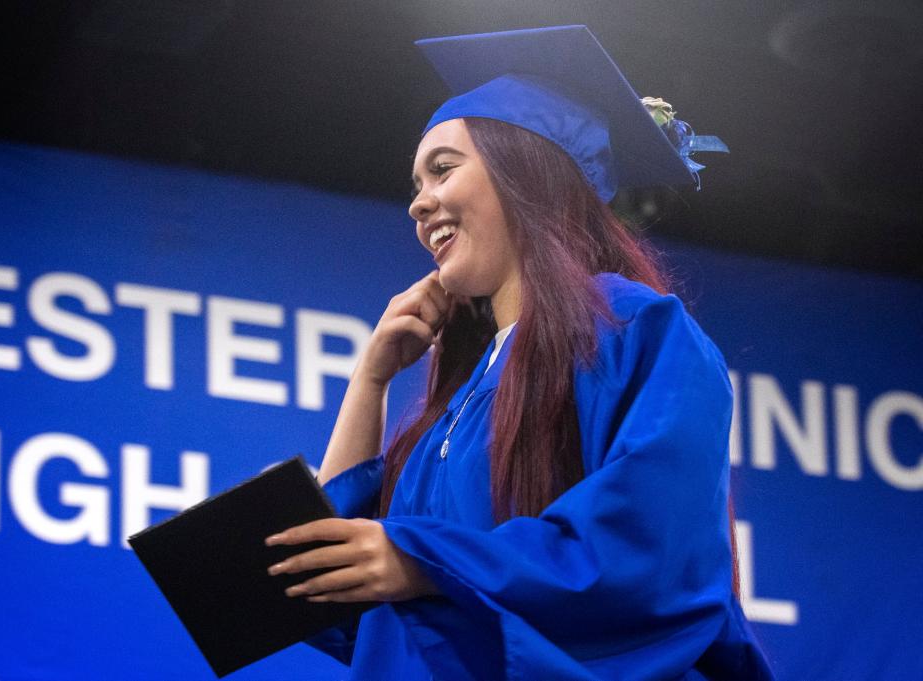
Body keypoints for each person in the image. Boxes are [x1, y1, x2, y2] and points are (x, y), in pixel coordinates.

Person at [265, 26, 774, 680]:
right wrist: (370, 380)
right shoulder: (456, 411)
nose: (419, 203)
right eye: (416, 184)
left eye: (443, 169)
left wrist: (422, 560)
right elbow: (331, 585)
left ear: (526, 170)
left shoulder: (629, 328)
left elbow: (648, 547)